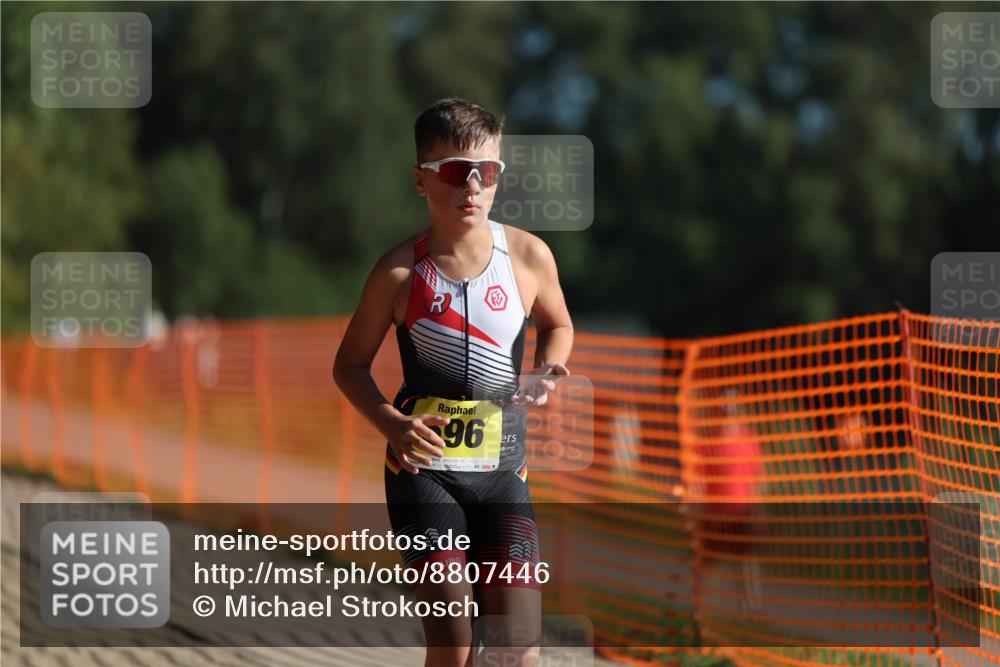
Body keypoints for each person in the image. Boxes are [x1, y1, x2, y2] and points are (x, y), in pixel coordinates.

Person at [333, 97, 574, 667]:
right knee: (454, 646)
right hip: (424, 474)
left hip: (504, 472)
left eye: (486, 170)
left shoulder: (529, 256)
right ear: (421, 179)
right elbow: (349, 366)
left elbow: (558, 324)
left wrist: (546, 369)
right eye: (454, 171)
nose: (472, 185)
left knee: (518, 648)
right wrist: (392, 425)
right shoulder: (398, 272)